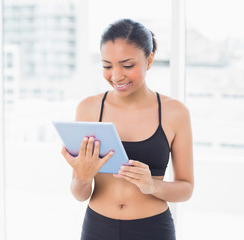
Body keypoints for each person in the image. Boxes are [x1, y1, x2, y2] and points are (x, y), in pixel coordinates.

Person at [61, 18, 194, 240]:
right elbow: (79, 193)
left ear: (149, 60)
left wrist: (152, 185)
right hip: (98, 228)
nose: (116, 76)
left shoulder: (175, 113)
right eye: (107, 66)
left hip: (152, 229)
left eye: (127, 65)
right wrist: (83, 178)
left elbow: (186, 188)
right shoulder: (88, 109)